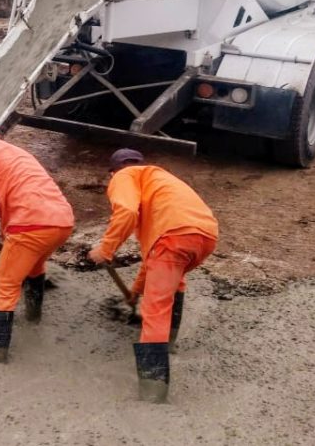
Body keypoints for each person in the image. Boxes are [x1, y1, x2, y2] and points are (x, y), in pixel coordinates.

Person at [87, 148, 220, 403]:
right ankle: (168, 344)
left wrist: (105, 249)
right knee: (173, 282)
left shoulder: (124, 176)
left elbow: (125, 211)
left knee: (156, 309)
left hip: (173, 239)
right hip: (204, 236)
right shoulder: (158, 180)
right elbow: (152, 262)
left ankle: (152, 390)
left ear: (114, 171)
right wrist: (135, 292)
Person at [0, 117, 75, 363]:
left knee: (4, 283)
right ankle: (34, 316)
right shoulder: (14, 150)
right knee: (34, 266)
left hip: (30, 224)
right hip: (62, 220)